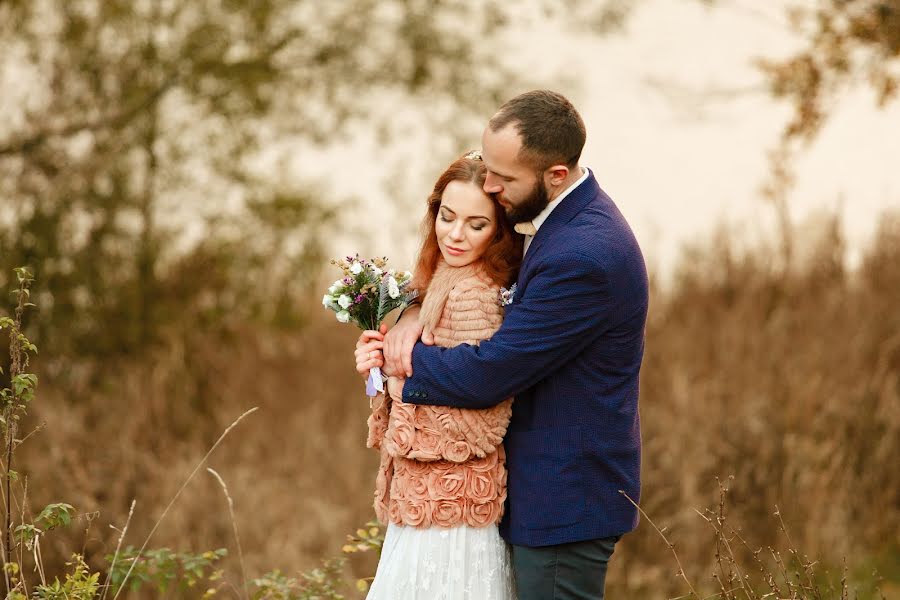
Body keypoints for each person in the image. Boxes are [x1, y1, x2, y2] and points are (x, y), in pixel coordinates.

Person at [382, 90, 649, 600]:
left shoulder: (584, 256)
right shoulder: (558, 220)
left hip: (564, 496)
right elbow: (476, 269)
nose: (489, 184)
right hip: (537, 487)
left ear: (555, 175)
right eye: (488, 166)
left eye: (503, 179)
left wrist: (396, 363)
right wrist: (413, 312)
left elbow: (490, 373)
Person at [353, 151, 524, 599]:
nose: (455, 234)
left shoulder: (476, 293)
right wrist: (377, 363)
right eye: (447, 217)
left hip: (454, 502)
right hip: (422, 494)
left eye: (476, 224)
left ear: (498, 229)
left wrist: (395, 379)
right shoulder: (440, 275)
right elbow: (420, 372)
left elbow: (480, 415)